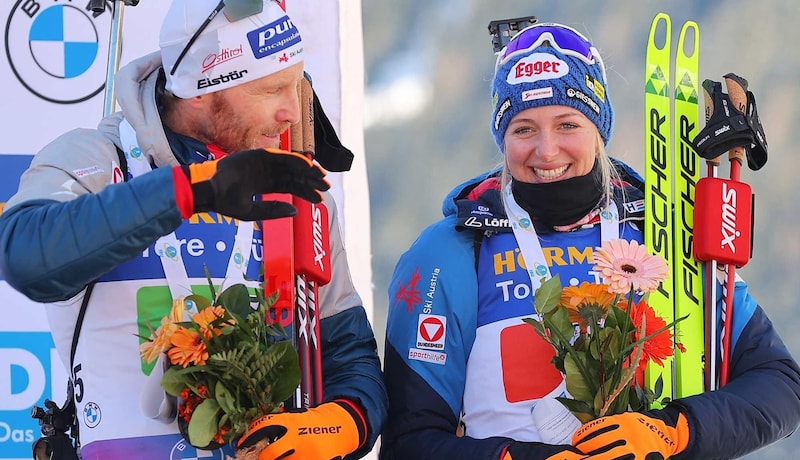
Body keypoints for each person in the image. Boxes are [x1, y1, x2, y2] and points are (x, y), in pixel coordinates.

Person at [380, 21, 800, 460]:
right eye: (523, 129)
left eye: (567, 124)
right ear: (502, 137)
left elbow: (780, 385)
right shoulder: (451, 252)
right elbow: (411, 441)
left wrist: (675, 430)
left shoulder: (661, 233)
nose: (546, 150)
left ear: (599, 131)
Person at [0, 0, 387, 458]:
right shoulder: (100, 160)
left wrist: (334, 427)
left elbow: (350, 357)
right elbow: (23, 253)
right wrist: (191, 191)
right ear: (200, 90)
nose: (291, 112)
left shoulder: (291, 185)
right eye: (270, 90)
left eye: (296, 85)